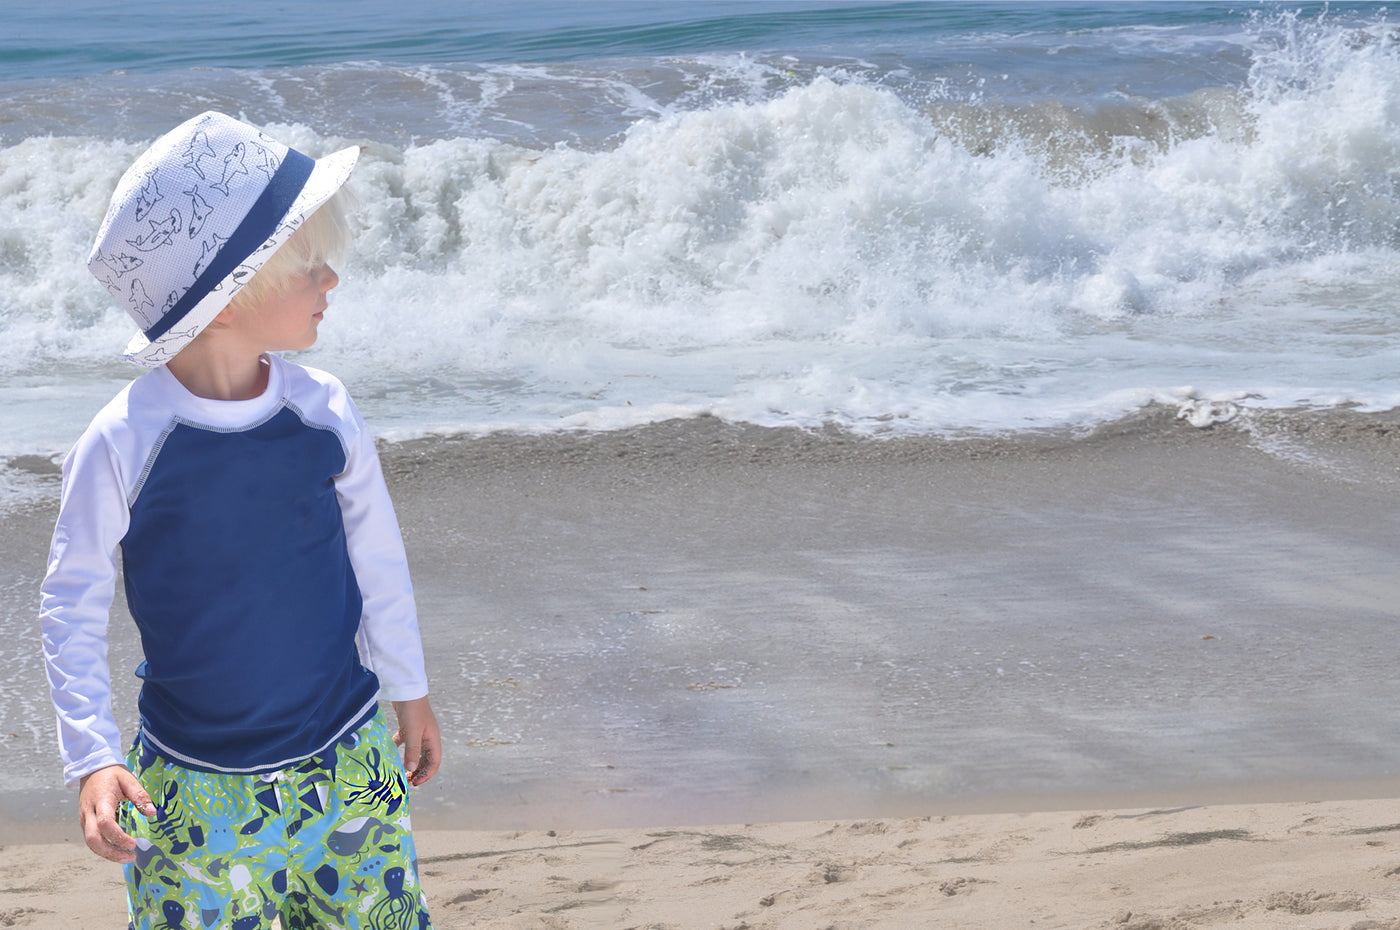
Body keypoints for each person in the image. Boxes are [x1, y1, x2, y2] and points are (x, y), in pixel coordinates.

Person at [39, 111, 439, 929]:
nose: (332, 281)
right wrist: (93, 757)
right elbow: (69, 600)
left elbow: (377, 557)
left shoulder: (323, 410)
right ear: (227, 300)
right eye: (310, 267)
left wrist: (410, 689)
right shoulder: (124, 439)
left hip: (349, 760)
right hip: (190, 793)